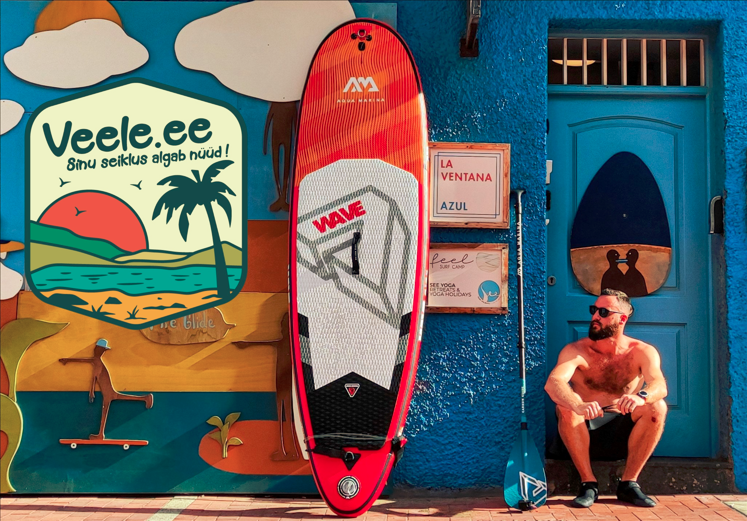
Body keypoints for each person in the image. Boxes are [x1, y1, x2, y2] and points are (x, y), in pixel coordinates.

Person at [545, 289, 667, 508]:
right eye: (594, 310)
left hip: (623, 432)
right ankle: (588, 484)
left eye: (603, 312)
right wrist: (578, 404)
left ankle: (629, 484)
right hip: (583, 430)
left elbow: (659, 384)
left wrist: (641, 397)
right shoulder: (576, 351)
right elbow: (554, 383)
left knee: (657, 406)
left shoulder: (642, 351)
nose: (595, 317)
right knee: (565, 406)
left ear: (622, 319)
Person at [60, 338, 154, 440]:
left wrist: (91, 392)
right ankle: (145, 398)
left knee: (105, 411)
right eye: (96, 348)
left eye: (98, 349)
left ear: (100, 351)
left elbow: (94, 376)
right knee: (108, 408)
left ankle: (101, 434)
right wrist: (67, 360)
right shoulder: (96, 361)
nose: (96, 350)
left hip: (107, 392)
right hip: (106, 392)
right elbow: (87, 364)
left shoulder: (97, 362)